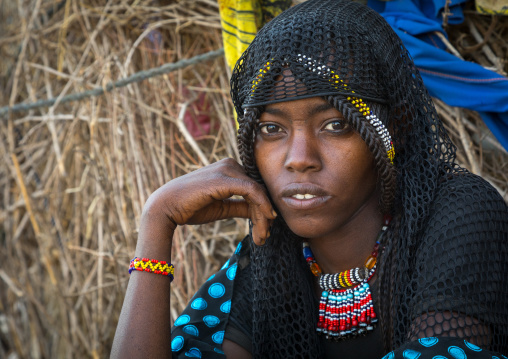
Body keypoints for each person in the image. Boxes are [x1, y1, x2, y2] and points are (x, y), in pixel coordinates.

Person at [111, 1, 508, 358]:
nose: (299, 160)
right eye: (271, 129)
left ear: (395, 128)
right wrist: (156, 221)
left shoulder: (459, 215)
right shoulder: (268, 262)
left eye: (336, 125)